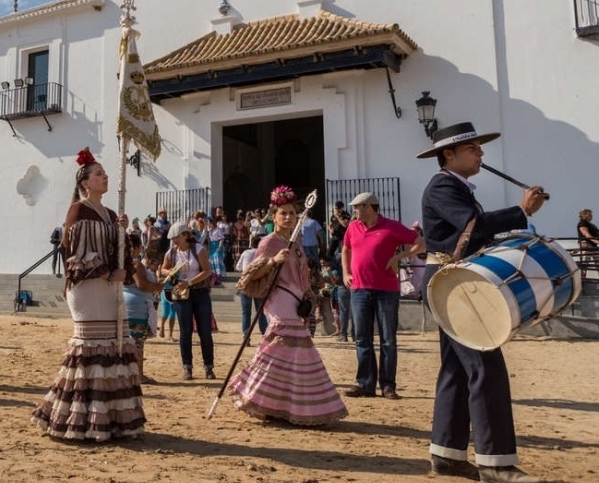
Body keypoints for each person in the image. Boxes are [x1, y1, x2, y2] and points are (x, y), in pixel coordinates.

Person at [418, 122, 546, 483]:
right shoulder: (443, 184)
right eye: (473, 147)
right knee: (486, 367)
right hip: (453, 286)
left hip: (453, 284)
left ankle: (447, 455)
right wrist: (521, 212)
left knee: (457, 370)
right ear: (449, 154)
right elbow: (470, 225)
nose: (481, 153)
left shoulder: (455, 187)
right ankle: (496, 464)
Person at [32, 147, 145, 441]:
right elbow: (77, 254)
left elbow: (121, 255)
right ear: (85, 182)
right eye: (99, 174)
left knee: (112, 345)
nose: (105, 177)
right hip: (88, 286)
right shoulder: (78, 210)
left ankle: (111, 419)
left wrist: (121, 235)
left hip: (109, 286)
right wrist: (110, 271)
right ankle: (80, 418)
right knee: (91, 346)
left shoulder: (109, 214)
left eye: (105, 174)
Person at [229, 185, 347, 426]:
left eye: (292, 213)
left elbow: (302, 273)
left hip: (296, 298)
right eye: (283, 213)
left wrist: (308, 293)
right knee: (284, 342)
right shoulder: (268, 242)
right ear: (274, 217)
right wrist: (273, 260)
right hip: (278, 298)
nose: (288, 217)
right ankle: (256, 391)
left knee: (290, 351)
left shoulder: (297, 243)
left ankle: (276, 401)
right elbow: (251, 274)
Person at [341, 191, 424, 399]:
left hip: (386, 290)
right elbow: (346, 249)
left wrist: (400, 256)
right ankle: (366, 384)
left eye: (357, 207)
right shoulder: (353, 227)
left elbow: (420, 243)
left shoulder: (392, 226)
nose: (354, 212)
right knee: (362, 338)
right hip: (359, 289)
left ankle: (388, 385)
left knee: (388, 339)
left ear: (368, 207)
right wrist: (345, 272)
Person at [162, 221, 216, 380]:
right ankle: (187, 367)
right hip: (181, 294)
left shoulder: (198, 249)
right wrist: (171, 272)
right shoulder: (171, 253)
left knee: (204, 331)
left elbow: (207, 271)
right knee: (185, 331)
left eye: (177, 237)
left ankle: (209, 366)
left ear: (185, 235)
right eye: (172, 238)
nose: (174, 241)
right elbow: (163, 268)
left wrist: (189, 282)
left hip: (199, 292)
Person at [123, 234, 160, 384]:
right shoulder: (136, 264)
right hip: (137, 307)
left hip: (127, 305)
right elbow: (142, 285)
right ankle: (138, 374)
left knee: (131, 342)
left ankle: (131, 373)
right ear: (138, 247)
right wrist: (157, 287)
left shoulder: (122, 263)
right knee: (137, 342)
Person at [235, 237, 267, 336]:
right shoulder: (264, 254)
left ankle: (246, 336)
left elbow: (238, 267)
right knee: (260, 312)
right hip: (259, 284)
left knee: (246, 313)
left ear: (251, 244)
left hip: (246, 284)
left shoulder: (245, 253)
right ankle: (264, 333)